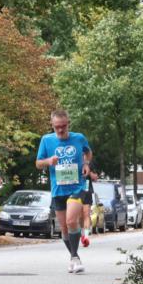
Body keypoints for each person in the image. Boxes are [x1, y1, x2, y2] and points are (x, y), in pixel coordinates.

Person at [35, 109, 92, 274]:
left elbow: (88, 152)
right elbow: (38, 163)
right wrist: (48, 161)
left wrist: (87, 164)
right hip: (58, 189)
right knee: (64, 229)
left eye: (63, 126)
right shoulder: (46, 140)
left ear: (68, 124)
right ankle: (74, 257)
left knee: (71, 221)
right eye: (57, 127)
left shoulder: (79, 138)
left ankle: (74, 258)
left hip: (77, 186)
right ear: (52, 125)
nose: (60, 130)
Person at [80, 168, 99, 247]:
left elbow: (95, 178)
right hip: (75, 189)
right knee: (79, 216)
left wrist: (89, 173)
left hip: (86, 187)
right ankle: (82, 235)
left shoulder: (89, 162)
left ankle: (86, 237)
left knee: (86, 214)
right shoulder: (72, 158)